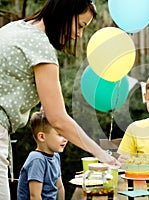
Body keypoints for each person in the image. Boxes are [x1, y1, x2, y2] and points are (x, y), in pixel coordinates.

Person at [0, 0, 120, 198]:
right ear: (66, 11)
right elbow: (58, 120)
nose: (79, 34)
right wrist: (103, 155)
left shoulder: (14, 28)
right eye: (80, 25)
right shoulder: (40, 47)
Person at [17, 111, 67, 200]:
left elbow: (59, 187)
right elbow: (35, 196)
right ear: (42, 137)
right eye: (60, 134)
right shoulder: (37, 160)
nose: (65, 138)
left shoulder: (55, 156)